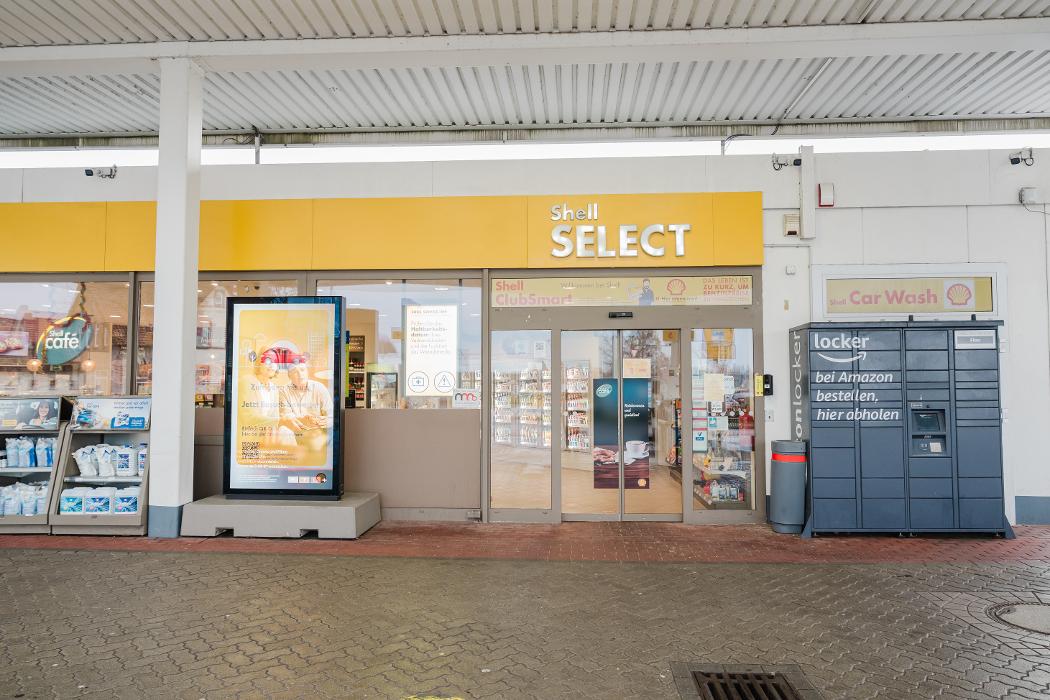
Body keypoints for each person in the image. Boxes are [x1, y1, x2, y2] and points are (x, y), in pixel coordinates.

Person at [280, 360, 333, 452]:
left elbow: (331, 415)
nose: (300, 374)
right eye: (295, 372)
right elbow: (287, 416)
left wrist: (320, 421)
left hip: (318, 431)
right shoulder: (283, 391)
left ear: (307, 372)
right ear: (289, 376)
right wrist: (303, 420)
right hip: (297, 433)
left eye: (302, 370)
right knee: (283, 430)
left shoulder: (320, 388)